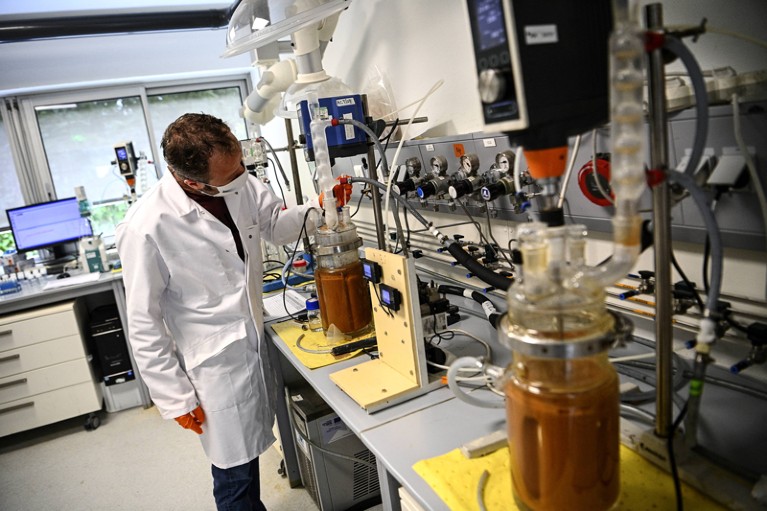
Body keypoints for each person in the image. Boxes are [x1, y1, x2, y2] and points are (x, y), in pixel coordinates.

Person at [116, 113, 319, 510]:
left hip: (253, 340)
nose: (244, 175)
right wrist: (174, 396)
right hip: (215, 365)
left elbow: (275, 226)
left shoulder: (238, 181)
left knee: (252, 451)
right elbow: (143, 321)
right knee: (235, 475)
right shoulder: (146, 226)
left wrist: (318, 208)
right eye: (233, 173)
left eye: (242, 163)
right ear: (192, 181)